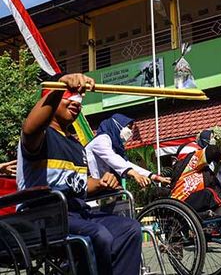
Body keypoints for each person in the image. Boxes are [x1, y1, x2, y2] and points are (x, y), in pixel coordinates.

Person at [16, 74, 142, 275]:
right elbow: (30, 128)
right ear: (52, 96)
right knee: (98, 235)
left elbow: (80, 185)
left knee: (130, 230)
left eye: (79, 97)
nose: (76, 101)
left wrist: (101, 183)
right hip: (44, 216)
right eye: (70, 95)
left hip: (77, 214)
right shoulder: (40, 136)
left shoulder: (76, 145)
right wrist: (61, 86)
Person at [85, 113, 169, 187]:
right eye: (128, 127)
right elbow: (112, 159)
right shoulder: (101, 140)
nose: (130, 132)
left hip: (101, 186)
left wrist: (154, 177)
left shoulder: (113, 146)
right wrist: (134, 174)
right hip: (88, 185)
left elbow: (125, 163)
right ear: (116, 126)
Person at [177, 129, 221, 197]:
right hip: (193, 187)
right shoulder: (194, 151)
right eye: (211, 138)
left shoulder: (212, 155)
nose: (212, 140)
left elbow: (220, 171)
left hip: (212, 185)